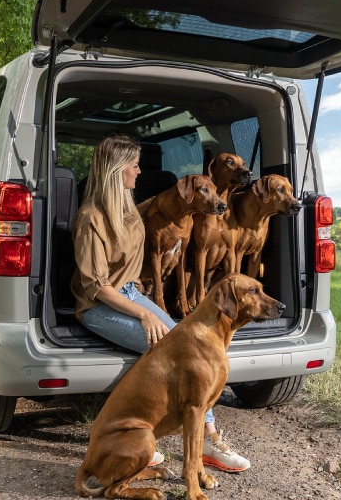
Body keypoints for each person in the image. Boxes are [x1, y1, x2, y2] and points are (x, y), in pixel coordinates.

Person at [70, 135, 251, 473]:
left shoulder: (128, 209)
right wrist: (143, 313)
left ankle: (206, 439)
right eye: (135, 166)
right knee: (181, 350)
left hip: (130, 294)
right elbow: (95, 287)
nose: (140, 172)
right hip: (98, 306)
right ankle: (177, 438)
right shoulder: (90, 218)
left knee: (189, 340)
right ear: (115, 170)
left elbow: (159, 218)